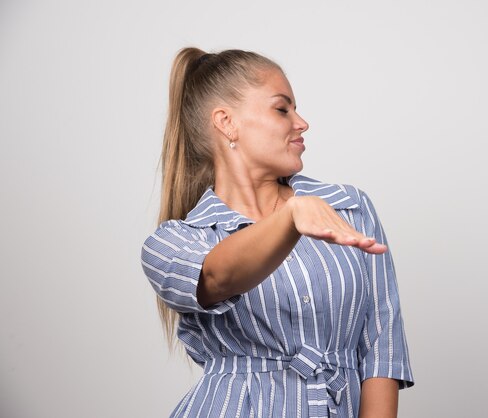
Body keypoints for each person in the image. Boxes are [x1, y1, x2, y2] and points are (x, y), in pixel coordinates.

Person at [141, 47, 414, 418]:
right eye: (282, 109)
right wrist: (290, 218)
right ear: (226, 123)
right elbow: (218, 276)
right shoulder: (173, 243)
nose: (301, 123)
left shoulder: (349, 208)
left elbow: (383, 347)